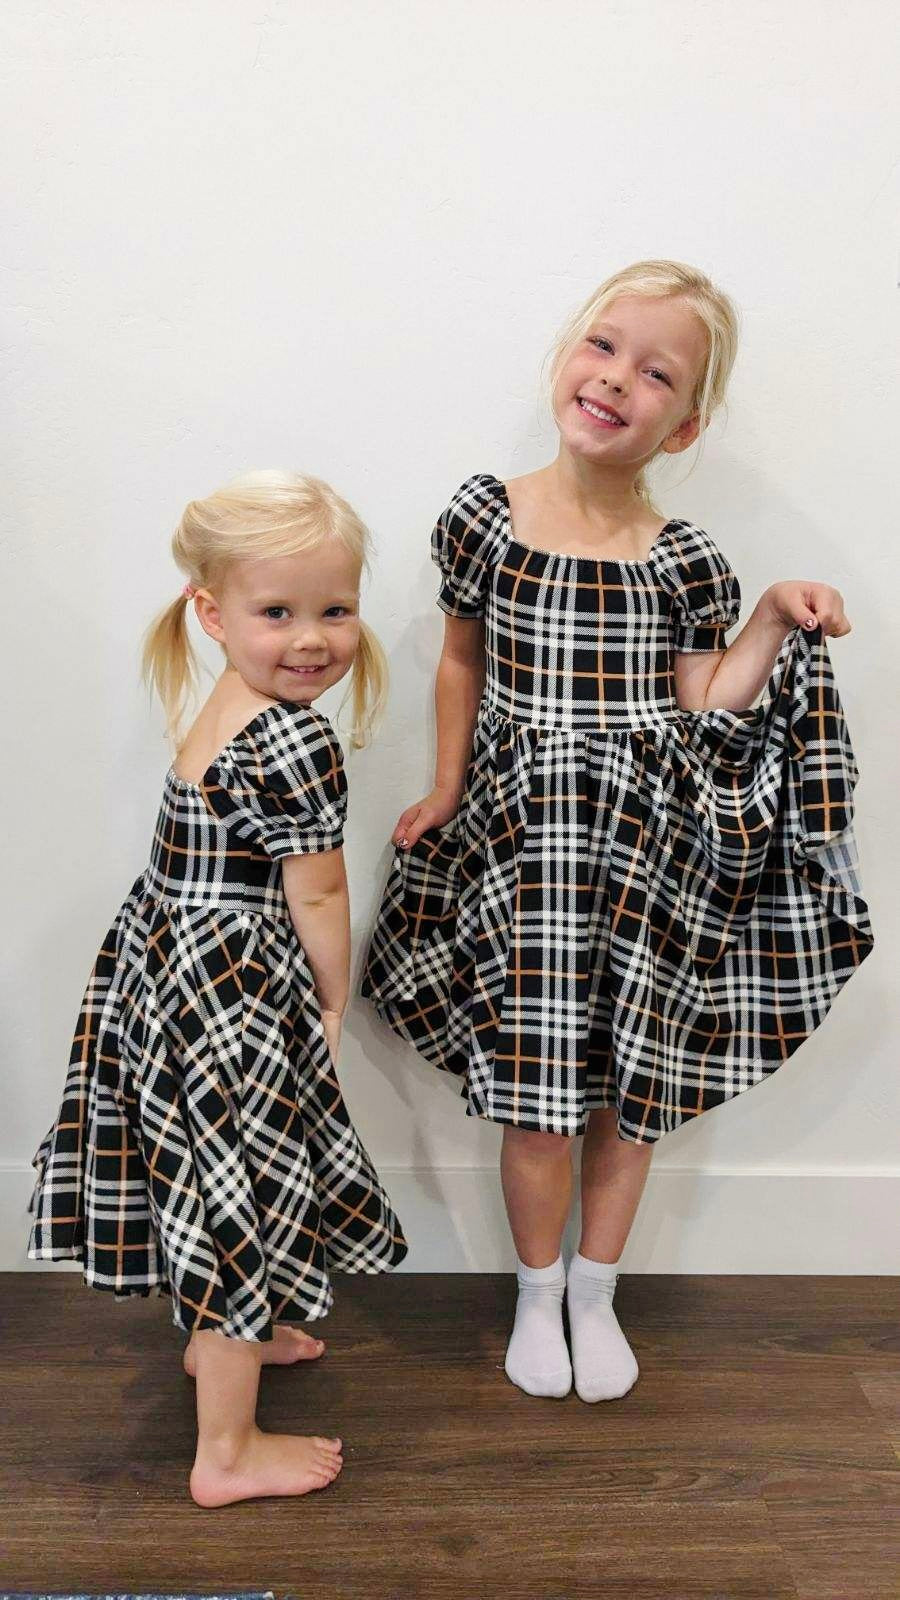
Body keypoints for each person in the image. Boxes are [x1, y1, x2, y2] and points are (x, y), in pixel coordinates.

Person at [361, 260, 873, 1405]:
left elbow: (704, 704)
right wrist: (444, 786)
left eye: (655, 374)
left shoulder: (683, 557)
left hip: (649, 855)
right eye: (602, 346)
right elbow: (460, 661)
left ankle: (596, 1291)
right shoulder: (485, 517)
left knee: (628, 1091)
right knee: (537, 1093)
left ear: (682, 426)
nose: (614, 379)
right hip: (525, 853)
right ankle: (536, 1292)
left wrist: (767, 615)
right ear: (565, 357)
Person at [30, 470, 407, 1504]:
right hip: (230, 995)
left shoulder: (232, 699)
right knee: (241, 1188)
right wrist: (332, 999)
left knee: (208, 1170)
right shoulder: (294, 735)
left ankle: (224, 1337)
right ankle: (228, 1449)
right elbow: (317, 891)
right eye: (277, 612)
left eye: (336, 609)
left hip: (169, 970)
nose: (312, 639)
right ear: (212, 612)